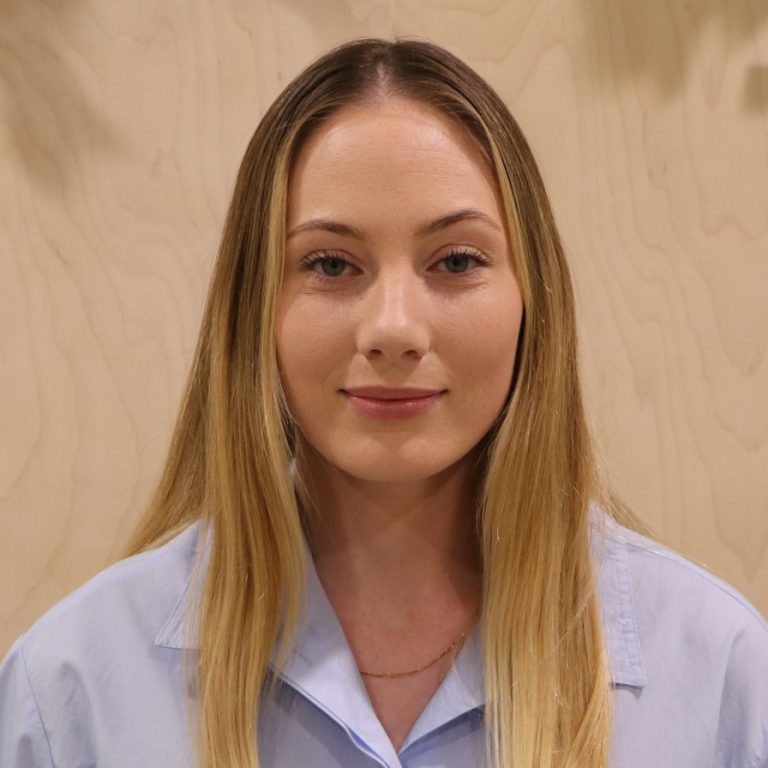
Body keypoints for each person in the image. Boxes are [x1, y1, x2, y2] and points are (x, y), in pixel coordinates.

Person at [0, 37, 766, 768]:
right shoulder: (69, 691)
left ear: (535, 300)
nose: (394, 328)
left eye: (456, 260)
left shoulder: (721, 679)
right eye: (330, 264)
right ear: (254, 308)